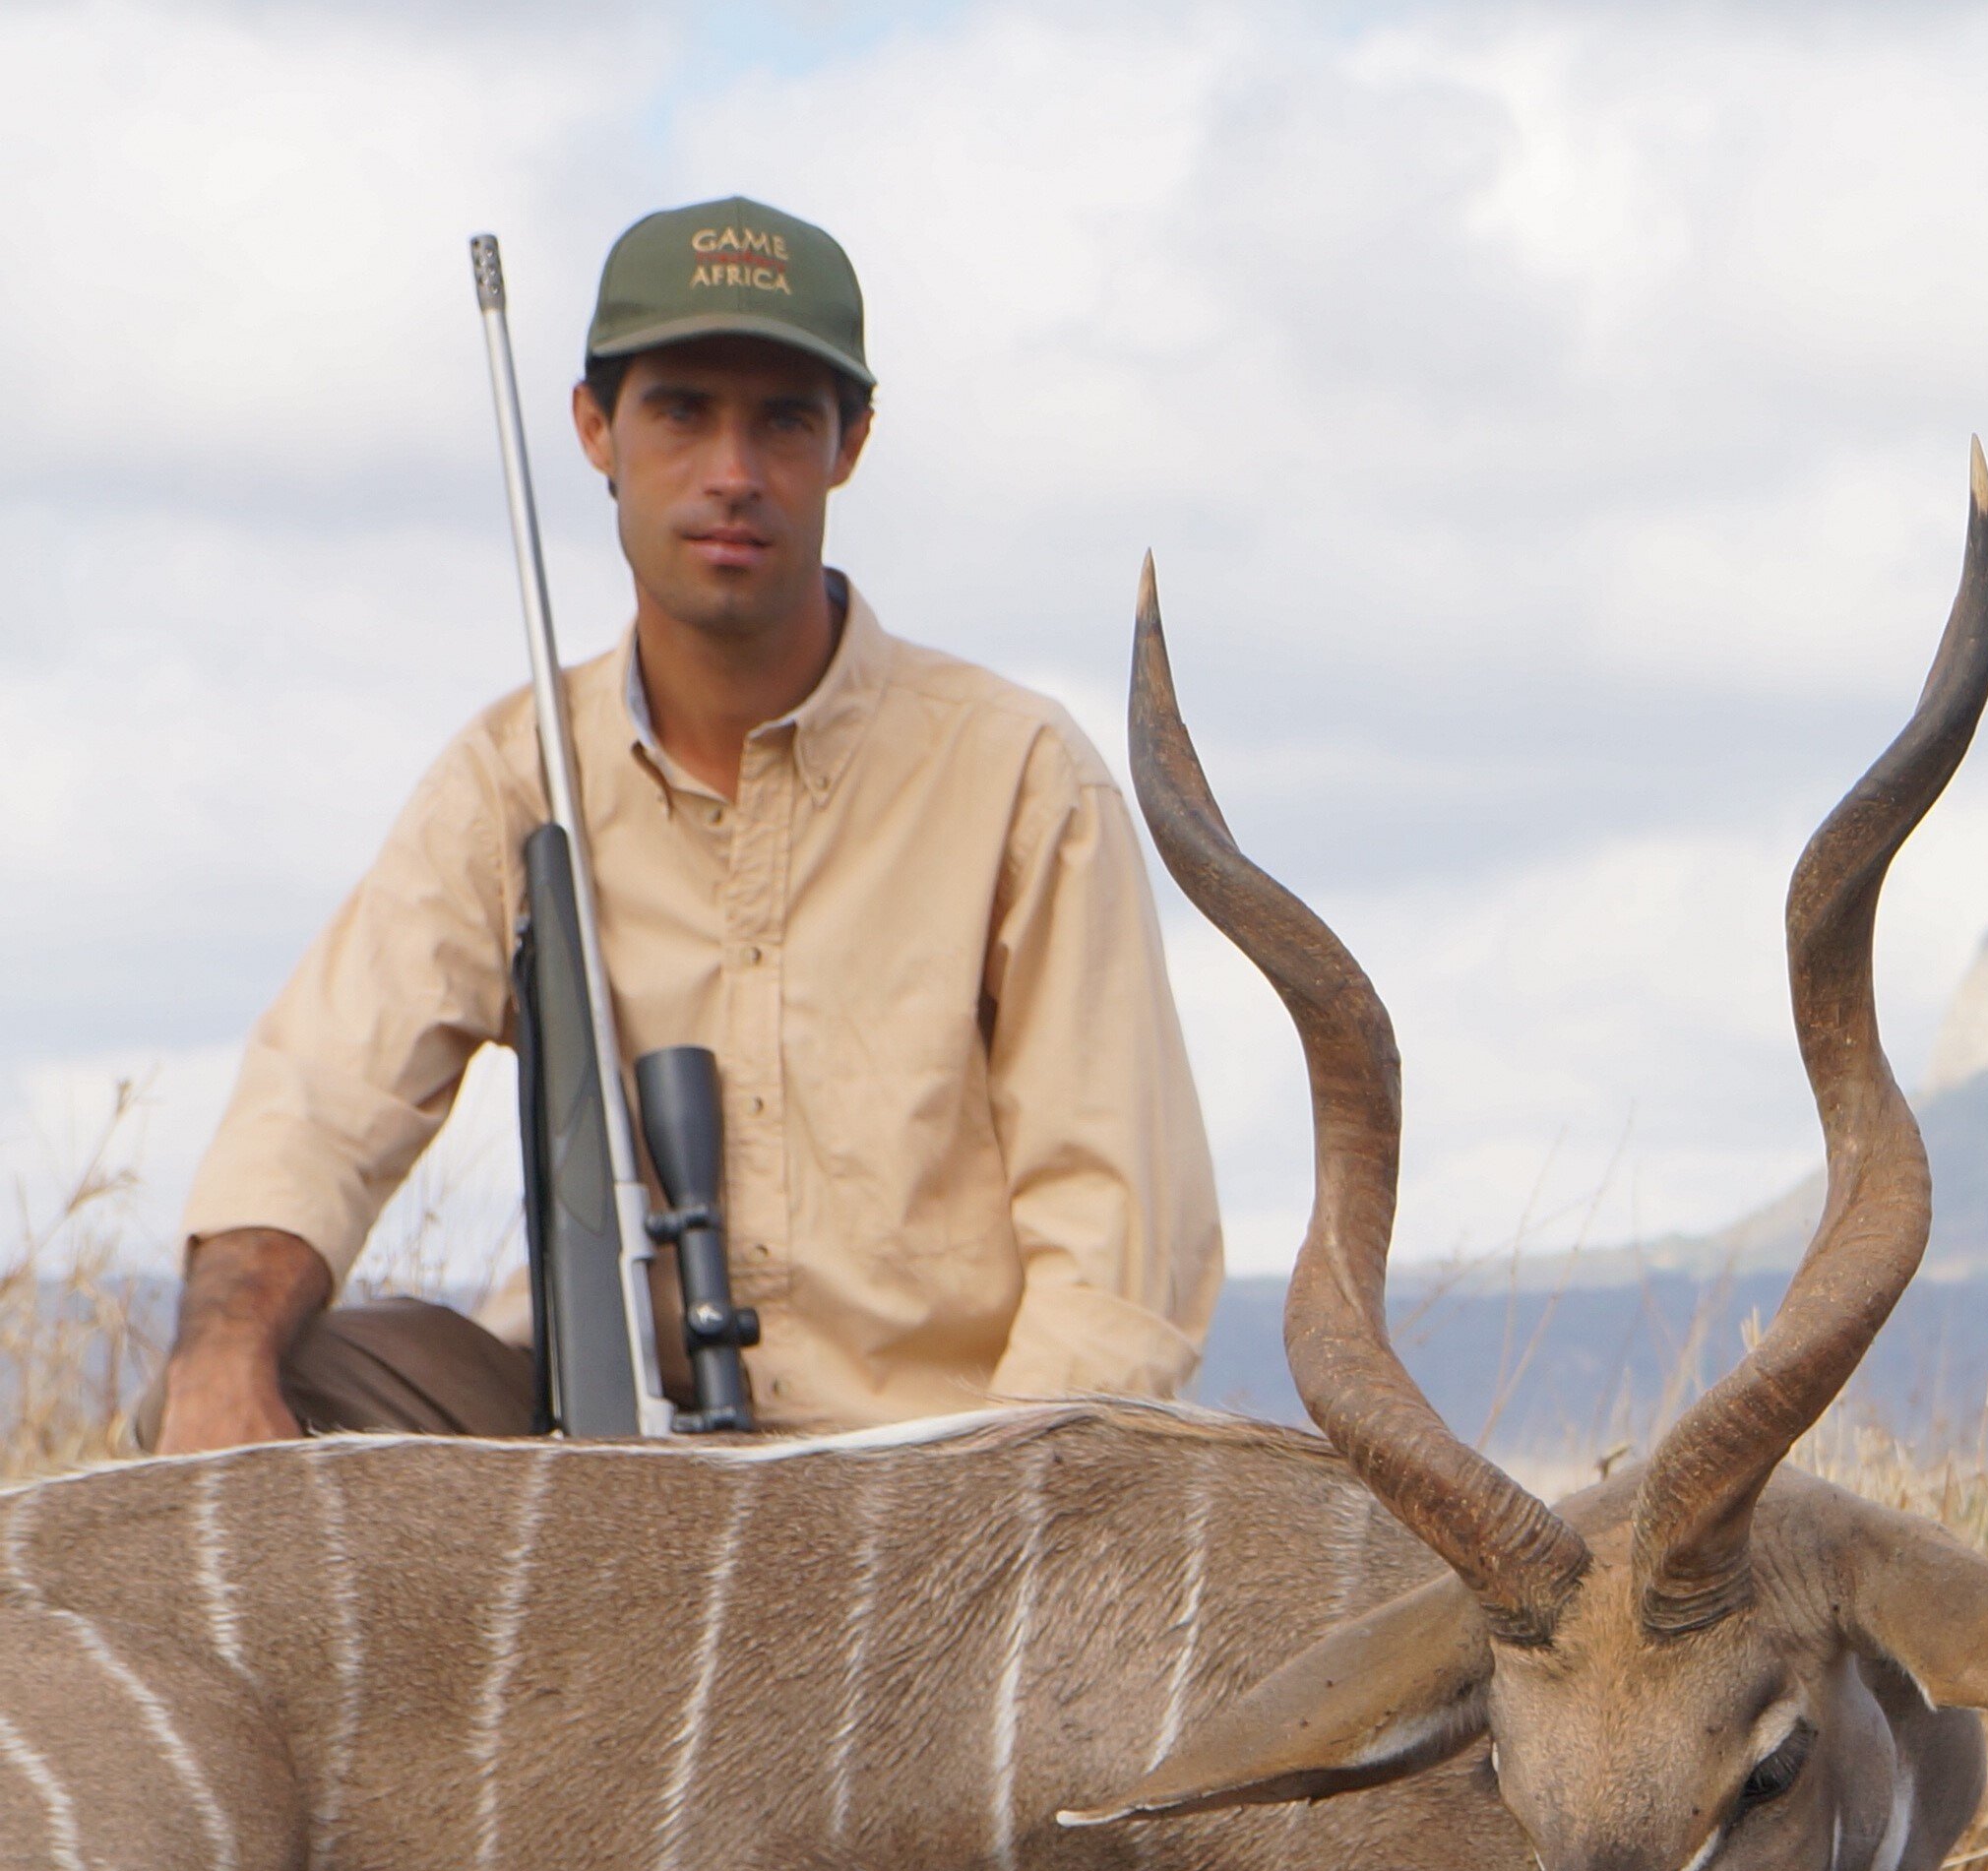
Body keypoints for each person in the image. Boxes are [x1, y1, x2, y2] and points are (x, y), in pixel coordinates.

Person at [153, 196, 1219, 1448]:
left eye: (782, 419)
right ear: (595, 428)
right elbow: (320, 1097)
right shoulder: (512, 774)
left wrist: (982, 1526)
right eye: (681, 411)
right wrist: (221, 1356)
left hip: (928, 1478)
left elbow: (1115, 1251)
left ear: (850, 443)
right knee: (239, 1399)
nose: (732, 473)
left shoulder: (1022, 776)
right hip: (599, 1449)